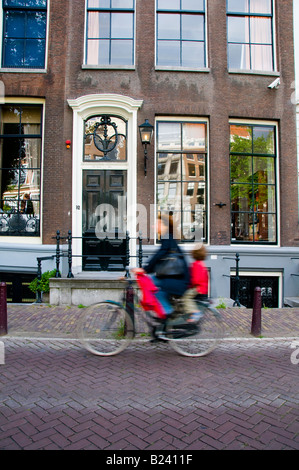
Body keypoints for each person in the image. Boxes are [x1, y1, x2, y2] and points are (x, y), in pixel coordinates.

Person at [133, 214, 190, 317]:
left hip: (178, 279)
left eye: (157, 223)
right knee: (154, 285)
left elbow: (160, 254)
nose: (154, 226)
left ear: (165, 225)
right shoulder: (167, 237)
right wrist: (146, 269)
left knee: (155, 290)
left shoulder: (167, 237)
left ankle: (167, 316)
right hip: (174, 277)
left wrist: (145, 269)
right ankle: (166, 318)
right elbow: (161, 256)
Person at [182, 244, 209, 323]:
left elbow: (195, 280)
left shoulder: (196, 264)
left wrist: (189, 286)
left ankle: (195, 312)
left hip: (198, 288)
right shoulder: (202, 264)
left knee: (186, 297)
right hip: (203, 287)